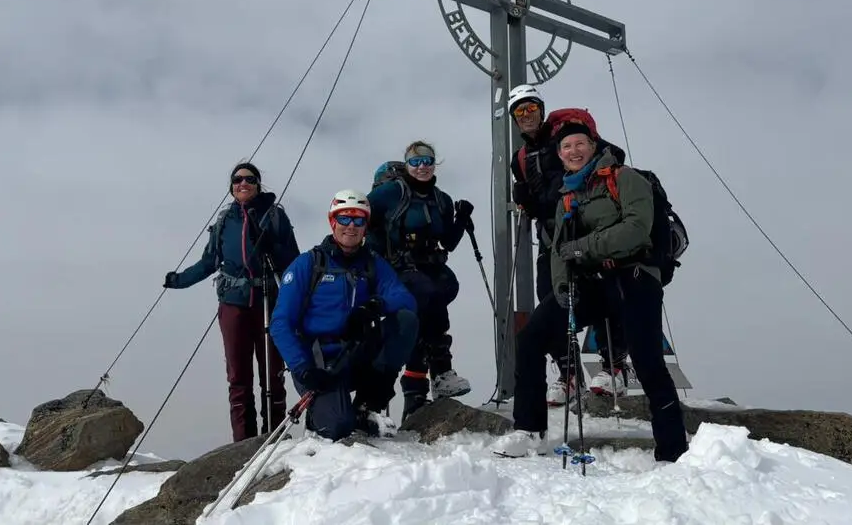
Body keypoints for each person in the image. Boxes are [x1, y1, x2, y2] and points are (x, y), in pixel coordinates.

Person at [501, 115, 689, 463]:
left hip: (634, 278)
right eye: (566, 146)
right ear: (559, 154)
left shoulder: (625, 178)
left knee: (647, 359)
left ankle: (673, 448)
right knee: (531, 338)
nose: (574, 151)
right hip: (590, 284)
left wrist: (583, 248)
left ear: (593, 146)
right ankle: (528, 430)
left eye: (580, 144)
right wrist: (561, 288)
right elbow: (559, 249)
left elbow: (637, 229)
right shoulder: (566, 197)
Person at [507, 85, 631, 404]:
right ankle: (569, 372)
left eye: (531, 108)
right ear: (514, 119)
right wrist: (527, 199)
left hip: (587, 228)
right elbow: (535, 205)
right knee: (551, 300)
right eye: (520, 111)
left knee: (606, 290)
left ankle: (615, 366)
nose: (527, 115)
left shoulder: (566, 137)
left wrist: (561, 187)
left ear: (542, 109)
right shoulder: (519, 158)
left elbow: (611, 156)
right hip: (552, 237)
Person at [163, 162, 301, 442]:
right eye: (238, 180)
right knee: (238, 379)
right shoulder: (225, 221)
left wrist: (272, 249)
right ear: (231, 187)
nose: (243, 183)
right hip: (233, 305)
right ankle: (244, 444)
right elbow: (209, 262)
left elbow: (293, 262)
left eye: (250, 179)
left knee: (273, 375)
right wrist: (179, 280)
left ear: (258, 184)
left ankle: (275, 439)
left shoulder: (274, 217)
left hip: (269, 303)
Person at [269, 190, 419, 440]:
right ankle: (321, 415)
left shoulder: (372, 264)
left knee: (405, 321)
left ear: (366, 226)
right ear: (332, 222)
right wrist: (302, 368)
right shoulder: (309, 264)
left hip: (356, 352)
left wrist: (374, 305)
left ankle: (366, 406)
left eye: (359, 220)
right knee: (338, 427)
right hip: (318, 363)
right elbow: (280, 323)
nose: (351, 226)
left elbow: (405, 299)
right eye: (344, 219)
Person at [367, 140, 475, 421]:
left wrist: (461, 218)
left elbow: (448, 242)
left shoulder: (441, 199)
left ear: (434, 163)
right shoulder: (391, 193)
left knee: (435, 299)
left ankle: (416, 397)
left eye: (427, 160)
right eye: (415, 162)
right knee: (427, 297)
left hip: (429, 270)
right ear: (407, 166)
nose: (422, 166)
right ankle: (439, 372)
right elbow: (361, 215)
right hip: (397, 269)